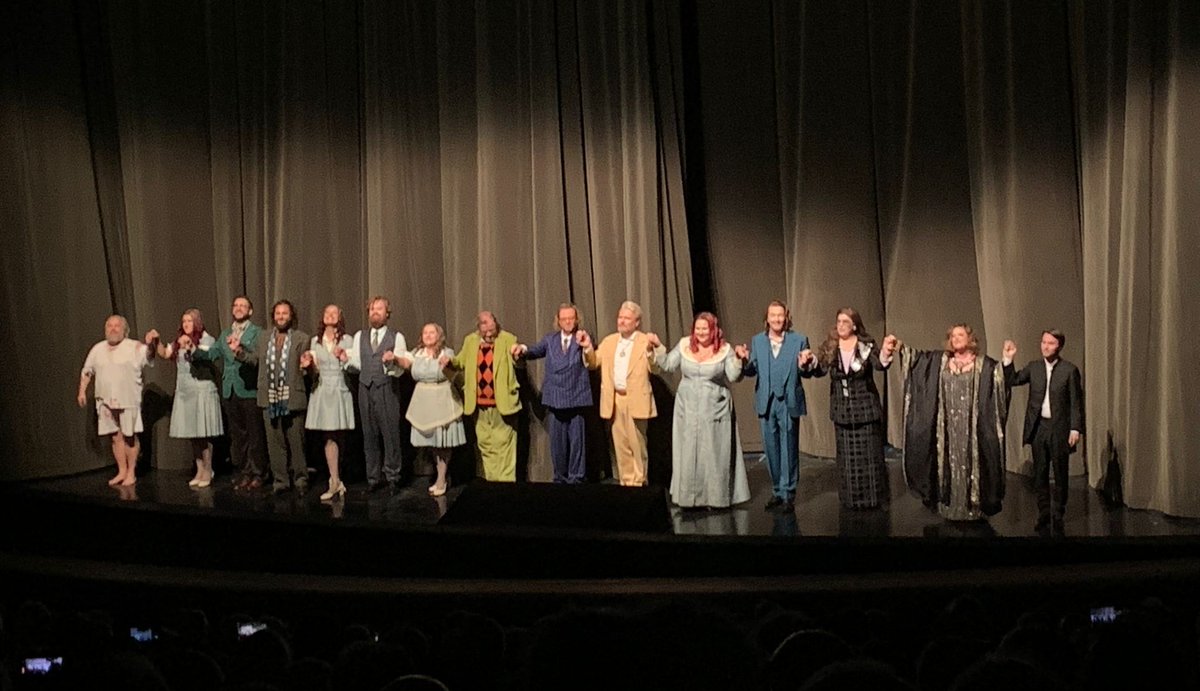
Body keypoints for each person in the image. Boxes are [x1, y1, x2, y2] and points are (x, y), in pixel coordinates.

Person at [892, 324, 1009, 521]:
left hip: (971, 428)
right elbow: (918, 361)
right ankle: (949, 506)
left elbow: (1000, 380)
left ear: (970, 338)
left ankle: (972, 509)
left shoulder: (983, 365)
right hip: (945, 428)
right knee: (947, 463)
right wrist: (902, 348)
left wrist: (1007, 360)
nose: (956, 338)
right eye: (953, 335)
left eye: (960, 335)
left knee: (971, 465)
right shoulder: (940, 361)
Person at [649, 312, 750, 508]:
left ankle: (715, 498)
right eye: (698, 328)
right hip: (687, 407)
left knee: (713, 452)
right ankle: (689, 499)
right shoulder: (685, 344)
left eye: (705, 328)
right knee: (688, 452)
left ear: (713, 330)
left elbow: (733, 376)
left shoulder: (724, 349)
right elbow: (668, 364)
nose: (701, 332)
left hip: (714, 407)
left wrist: (738, 359)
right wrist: (658, 346)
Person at [803, 308, 896, 509]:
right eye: (839, 321)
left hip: (866, 412)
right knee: (848, 461)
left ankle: (873, 499)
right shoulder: (831, 347)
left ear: (854, 325)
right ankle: (851, 500)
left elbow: (880, 365)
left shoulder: (866, 346)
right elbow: (819, 369)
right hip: (843, 413)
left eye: (846, 321)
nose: (841, 325)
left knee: (869, 458)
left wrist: (887, 352)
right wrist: (809, 362)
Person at [1002, 330, 1084, 535]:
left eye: (1051, 343)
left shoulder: (1069, 370)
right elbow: (1012, 380)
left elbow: (1076, 402)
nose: (1046, 346)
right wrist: (1008, 359)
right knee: (1040, 473)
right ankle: (1044, 512)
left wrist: (1075, 428)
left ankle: (1058, 512)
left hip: (1059, 428)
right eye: (1043, 342)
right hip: (1039, 427)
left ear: (1059, 346)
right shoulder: (1034, 367)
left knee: (1060, 472)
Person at [735, 300, 811, 512]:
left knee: (788, 448)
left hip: (788, 401)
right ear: (766, 319)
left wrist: (805, 364)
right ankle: (777, 490)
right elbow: (751, 370)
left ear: (786, 317)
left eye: (780, 315)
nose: (777, 319)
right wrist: (743, 360)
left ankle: (788, 493)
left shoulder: (799, 340)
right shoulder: (758, 341)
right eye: (773, 315)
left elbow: (806, 370)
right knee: (771, 449)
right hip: (766, 402)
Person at [190, 296, 267, 490]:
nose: (239, 308)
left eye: (244, 306)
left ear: (250, 311)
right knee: (238, 436)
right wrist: (193, 349)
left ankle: (258, 473)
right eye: (236, 305)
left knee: (254, 435)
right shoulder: (225, 334)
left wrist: (239, 349)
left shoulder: (257, 333)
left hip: (248, 389)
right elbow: (211, 354)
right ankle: (243, 471)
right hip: (230, 390)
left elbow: (257, 359)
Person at [584, 301, 663, 487]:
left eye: (627, 318)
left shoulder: (645, 341)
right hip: (615, 400)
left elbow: (657, 368)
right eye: (620, 317)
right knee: (620, 445)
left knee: (637, 444)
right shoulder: (610, 341)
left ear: (637, 322)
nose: (622, 321)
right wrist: (587, 348)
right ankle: (626, 482)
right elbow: (593, 362)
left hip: (636, 399)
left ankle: (640, 482)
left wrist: (653, 351)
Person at [514, 303, 594, 484]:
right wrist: (522, 349)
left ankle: (576, 478)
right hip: (555, 399)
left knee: (577, 444)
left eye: (571, 318)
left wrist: (587, 346)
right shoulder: (550, 340)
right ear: (558, 321)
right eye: (564, 319)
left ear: (577, 320)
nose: (567, 322)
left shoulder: (582, 338)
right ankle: (559, 478)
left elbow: (591, 361)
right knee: (557, 444)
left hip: (576, 398)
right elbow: (534, 351)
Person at [240, 300, 310, 494]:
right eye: (278, 313)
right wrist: (239, 352)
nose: (281, 317)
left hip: (292, 397)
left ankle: (301, 479)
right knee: (274, 443)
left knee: (296, 443)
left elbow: (306, 365)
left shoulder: (301, 338)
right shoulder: (263, 338)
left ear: (291, 316)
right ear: (273, 317)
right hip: (269, 398)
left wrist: (308, 365)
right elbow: (254, 359)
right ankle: (280, 481)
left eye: (285, 313)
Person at [78, 315, 155, 486]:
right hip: (105, 400)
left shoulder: (134, 347)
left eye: (117, 326)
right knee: (115, 436)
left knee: (129, 436)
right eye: (109, 326)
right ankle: (122, 470)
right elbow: (87, 371)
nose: (113, 329)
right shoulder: (97, 349)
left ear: (124, 330)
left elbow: (149, 355)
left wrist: (151, 343)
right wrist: (82, 392)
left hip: (127, 399)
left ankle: (131, 472)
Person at [445, 311, 521, 482]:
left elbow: (519, 359)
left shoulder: (508, 339)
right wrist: (449, 362)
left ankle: (506, 485)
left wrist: (518, 353)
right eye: (485, 331)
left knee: (504, 446)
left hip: (502, 403)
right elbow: (460, 362)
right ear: (478, 328)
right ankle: (492, 483)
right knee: (486, 444)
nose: (489, 335)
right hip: (479, 404)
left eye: (492, 331)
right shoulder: (470, 341)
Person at [153, 308, 223, 488]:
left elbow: (205, 357)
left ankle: (208, 470)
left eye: (190, 321)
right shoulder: (179, 340)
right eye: (184, 321)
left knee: (203, 433)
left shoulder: (207, 339)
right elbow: (165, 353)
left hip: (201, 390)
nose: (186, 324)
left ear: (197, 323)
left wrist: (191, 346)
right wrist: (156, 341)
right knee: (192, 434)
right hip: (185, 391)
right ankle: (199, 469)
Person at [395, 323, 465, 496]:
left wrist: (447, 364)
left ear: (439, 335)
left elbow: (454, 369)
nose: (428, 335)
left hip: (442, 399)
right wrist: (394, 359)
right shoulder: (417, 353)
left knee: (442, 442)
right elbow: (405, 363)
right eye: (425, 332)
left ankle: (442, 478)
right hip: (423, 400)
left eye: (431, 332)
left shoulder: (446, 353)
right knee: (434, 443)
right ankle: (439, 475)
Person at [346, 296, 407, 491]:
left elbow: (401, 368)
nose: (375, 312)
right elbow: (356, 363)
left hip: (386, 388)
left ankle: (392, 476)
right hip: (365, 388)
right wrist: (344, 359)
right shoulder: (359, 336)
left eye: (379, 309)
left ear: (387, 313)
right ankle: (373, 478)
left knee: (390, 434)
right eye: (372, 309)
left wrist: (392, 360)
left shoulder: (396, 336)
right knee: (369, 435)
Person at [302, 304, 355, 501]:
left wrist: (344, 357)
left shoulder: (348, 340)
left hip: (340, 389)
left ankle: (338, 477)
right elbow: (312, 368)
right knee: (329, 436)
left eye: (335, 313)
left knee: (339, 435)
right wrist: (307, 365)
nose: (330, 315)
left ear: (340, 317)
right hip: (323, 390)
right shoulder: (316, 341)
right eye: (327, 312)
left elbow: (353, 366)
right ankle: (334, 480)